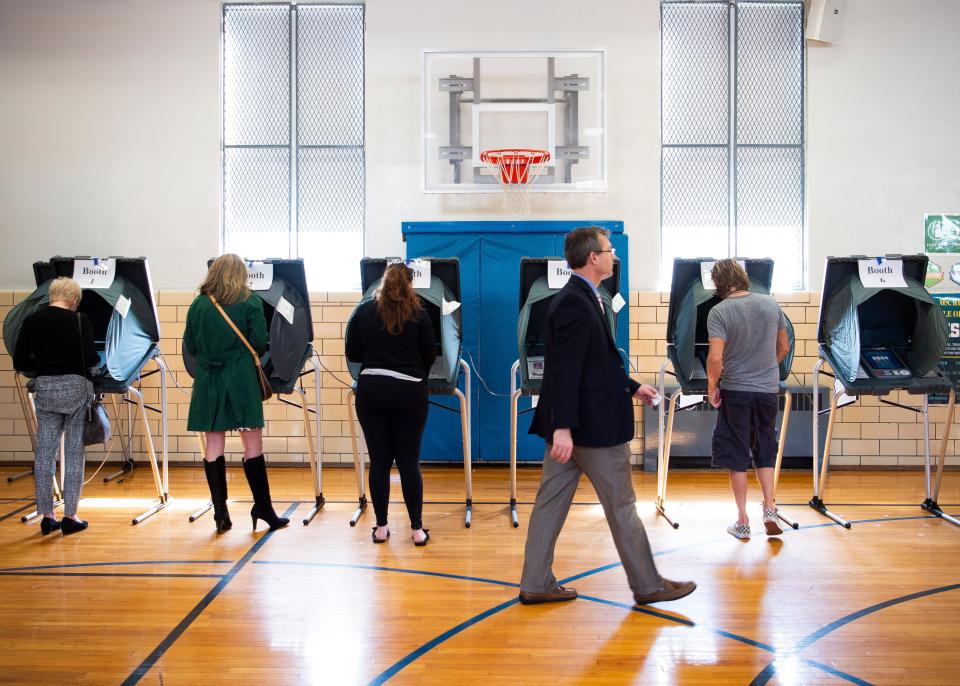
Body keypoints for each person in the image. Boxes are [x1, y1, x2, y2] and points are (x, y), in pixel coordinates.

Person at [519, 227, 696, 606]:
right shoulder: (573, 302)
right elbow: (565, 368)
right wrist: (563, 427)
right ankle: (648, 585)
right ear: (592, 258)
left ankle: (535, 582)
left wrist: (632, 386)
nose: (614, 255)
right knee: (622, 506)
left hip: (576, 426)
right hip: (590, 429)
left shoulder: (587, 297)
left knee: (550, 504)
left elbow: (595, 362)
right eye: (609, 250)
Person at [184, 254, 288, 534]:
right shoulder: (250, 302)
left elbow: (191, 346)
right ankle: (263, 509)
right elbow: (258, 342)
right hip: (240, 379)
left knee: (212, 446)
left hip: (208, 381)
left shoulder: (198, 305)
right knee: (252, 445)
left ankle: (220, 513)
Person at [345, 262, 437, 546]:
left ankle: (382, 528)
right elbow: (430, 356)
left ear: (381, 283)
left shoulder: (363, 311)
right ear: (410, 284)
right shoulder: (420, 313)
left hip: (372, 391)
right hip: (410, 391)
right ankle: (417, 530)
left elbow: (353, 352)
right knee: (409, 462)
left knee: (380, 462)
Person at [706, 258, 790, 540]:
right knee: (765, 448)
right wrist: (766, 367)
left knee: (737, 455)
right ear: (742, 277)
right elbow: (784, 347)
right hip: (767, 390)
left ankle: (742, 521)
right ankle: (769, 508)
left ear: (717, 282)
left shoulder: (719, 312)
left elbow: (716, 357)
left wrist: (712, 385)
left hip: (736, 392)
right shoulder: (770, 304)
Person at [13, 277, 97, 536]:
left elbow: (20, 359)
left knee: (45, 452)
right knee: (73, 453)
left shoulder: (32, 320)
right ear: (74, 300)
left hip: (46, 389)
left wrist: (43, 364)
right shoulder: (81, 321)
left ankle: (47, 515)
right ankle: (70, 516)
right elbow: (92, 359)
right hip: (75, 389)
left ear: (51, 296)